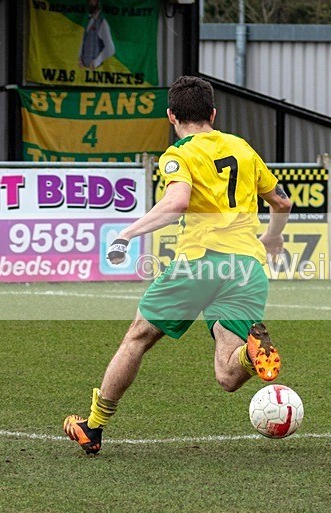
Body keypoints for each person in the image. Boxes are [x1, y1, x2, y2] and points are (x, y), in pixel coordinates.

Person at [63, 75, 293, 454]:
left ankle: (94, 426)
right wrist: (272, 237)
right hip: (247, 268)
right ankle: (251, 355)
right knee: (228, 374)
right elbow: (281, 202)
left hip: (200, 263)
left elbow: (177, 202)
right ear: (213, 113)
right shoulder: (242, 148)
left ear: (171, 116)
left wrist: (125, 234)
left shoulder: (179, 154)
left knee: (138, 337)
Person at [78, 0, 115, 70]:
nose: (90, 4)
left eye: (93, 2)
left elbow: (110, 49)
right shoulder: (88, 20)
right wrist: (80, 57)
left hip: (96, 70)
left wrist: (96, 62)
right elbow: (84, 40)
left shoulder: (102, 22)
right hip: (84, 69)